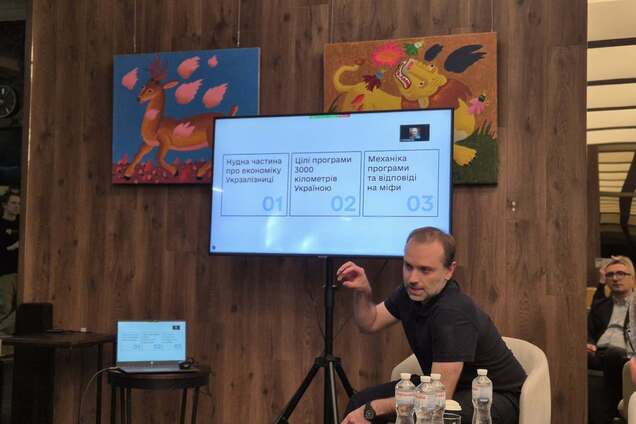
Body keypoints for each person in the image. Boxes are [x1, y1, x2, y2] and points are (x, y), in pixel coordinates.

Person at [337, 227, 526, 424]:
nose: (413, 279)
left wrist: (374, 409)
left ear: (449, 271)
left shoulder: (452, 313)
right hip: (446, 390)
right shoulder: (411, 293)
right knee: (359, 402)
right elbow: (370, 322)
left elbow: (437, 398)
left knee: (431, 415)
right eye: (408, 266)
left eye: (425, 270)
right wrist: (363, 292)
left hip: (493, 397)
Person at [587, 255, 635, 424]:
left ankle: (609, 413)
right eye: (610, 274)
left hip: (626, 355)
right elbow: (589, 330)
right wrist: (589, 343)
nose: (615, 278)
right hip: (599, 354)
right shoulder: (602, 305)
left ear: (632, 278)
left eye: (621, 273)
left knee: (614, 355)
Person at [0, 189, 19, 337]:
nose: (17, 206)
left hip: (22, 271)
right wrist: (14, 246)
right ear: (5, 205)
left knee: (23, 307)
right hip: (5, 272)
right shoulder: (1, 224)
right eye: (13, 203)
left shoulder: (23, 223)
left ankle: (3, 332)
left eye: (19, 203)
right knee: (4, 307)